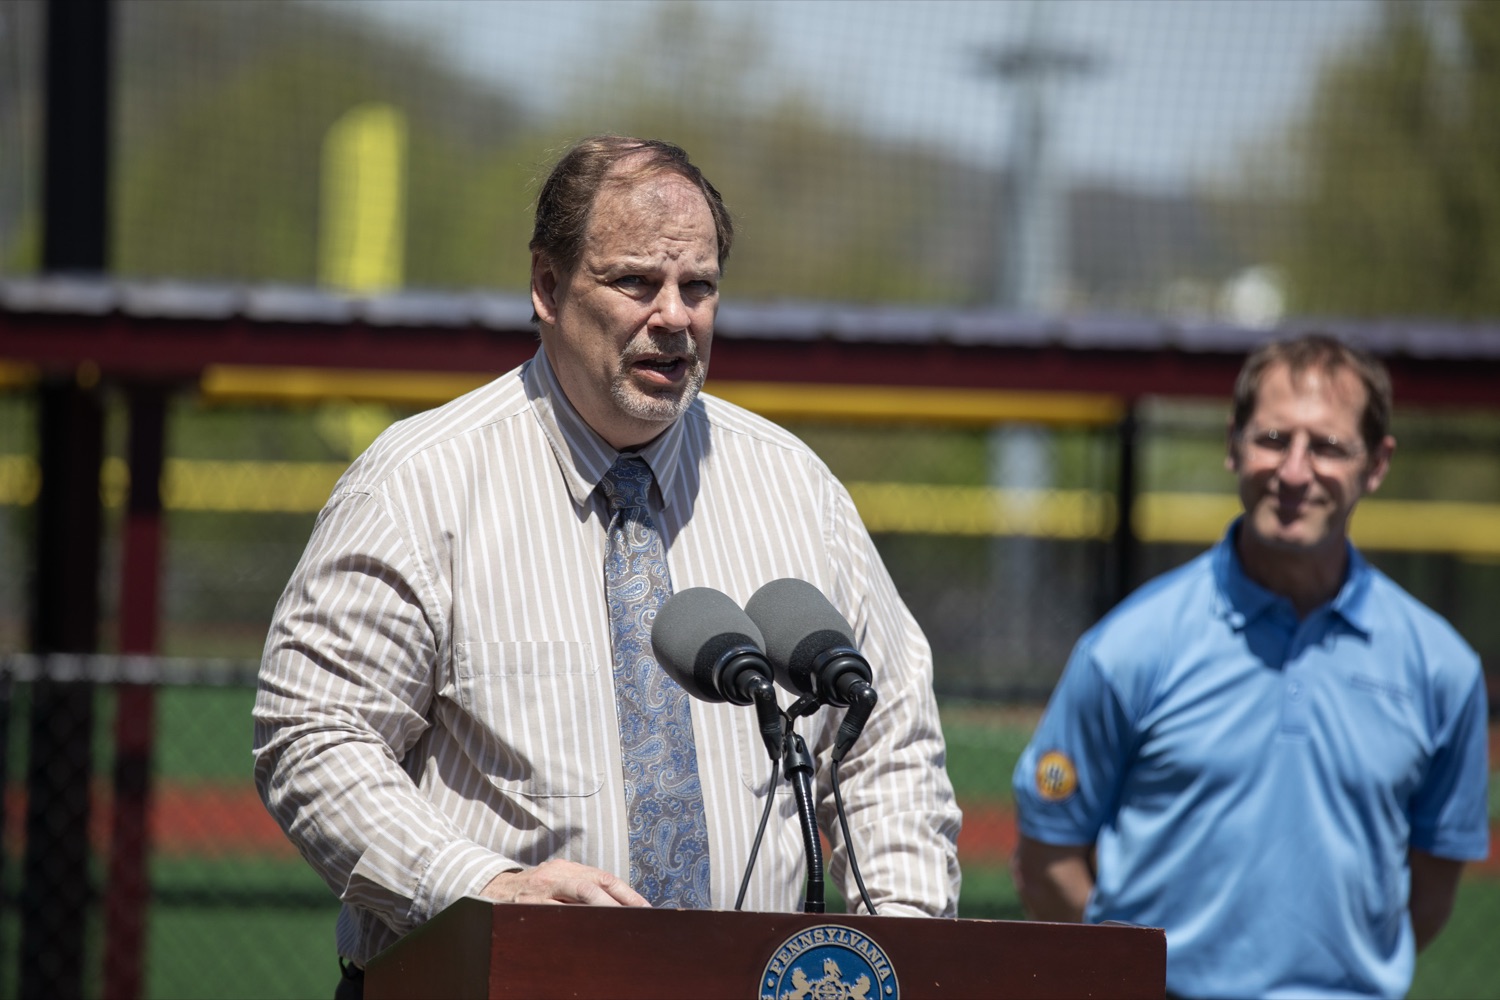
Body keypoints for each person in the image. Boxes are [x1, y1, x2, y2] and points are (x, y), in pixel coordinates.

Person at [253, 135, 961, 995]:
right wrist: (486, 891)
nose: (674, 316)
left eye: (698, 287)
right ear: (547, 287)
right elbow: (314, 738)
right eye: (635, 282)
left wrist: (904, 949)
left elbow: (888, 744)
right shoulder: (419, 485)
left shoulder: (797, 490)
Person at [1012, 333, 1489, 998]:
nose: (1294, 472)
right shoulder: (1128, 649)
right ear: (1233, 445)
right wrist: (1136, 981)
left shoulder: (1442, 670)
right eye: (1273, 439)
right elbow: (1048, 858)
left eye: (1327, 446)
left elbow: (1432, 887)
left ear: (1376, 464)